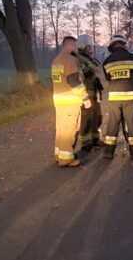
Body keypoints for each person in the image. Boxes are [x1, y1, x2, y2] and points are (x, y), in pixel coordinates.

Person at [102, 34, 133, 160]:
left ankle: (108, 152)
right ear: (124, 44)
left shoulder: (107, 62)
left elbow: (108, 78)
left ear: (112, 46)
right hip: (130, 97)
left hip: (114, 98)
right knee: (132, 123)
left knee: (112, 124)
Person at [51, 36, 92, 167]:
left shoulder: (56, 60)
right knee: (69, 130)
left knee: (61, 129)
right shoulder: (69, 60)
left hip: (59, 100)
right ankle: (66, 159)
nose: (76, 47)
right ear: (71, 45)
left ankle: (59, 155)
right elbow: (74, 81)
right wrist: (85, 98)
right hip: (70, 101)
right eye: (75, 45)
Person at [75, 34, 104, 161]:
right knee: (86, 119)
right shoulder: (78, 59)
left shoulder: (88, 59)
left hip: (94, 92)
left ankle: (95, 139)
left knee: (97, 117)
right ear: (82, 47)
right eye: (88, 47)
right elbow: (84, 74)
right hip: (86, 93)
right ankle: (86, 144)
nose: (90, 49)